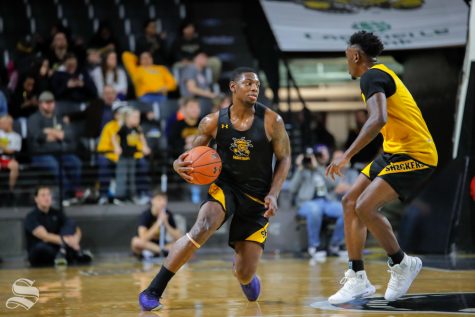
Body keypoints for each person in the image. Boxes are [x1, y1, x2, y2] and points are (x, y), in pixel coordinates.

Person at [138, 67, 291, 311]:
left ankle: (244, 274)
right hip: (226, 187)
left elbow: (284, 159)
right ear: (233, 87)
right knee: (201, 227)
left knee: (244, 275)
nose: (254, 88)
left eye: (257, 85)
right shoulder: (212, 122)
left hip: (258, 199)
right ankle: (153, 290)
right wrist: (178, 163)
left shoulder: (272, 121)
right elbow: (189, 158)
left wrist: (274, 193)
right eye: (248, 83)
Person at [325, 31, 438, 304]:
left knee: (365, 206)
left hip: (417, 154)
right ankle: (357, 278)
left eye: (347, 59)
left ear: (355, 55)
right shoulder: (379, 74)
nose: (347, 64)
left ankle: (402, 264)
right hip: (393, 152)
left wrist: (347, 155)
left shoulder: (371, 75)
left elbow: (377, 119)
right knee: (350, 201)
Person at [27, 91, 83, 206]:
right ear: (40, 104)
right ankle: (68, 194)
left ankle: (75, 192)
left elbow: (67, 135)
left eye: (51, 102)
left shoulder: (59, 118)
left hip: (60, 152)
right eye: (46, 102)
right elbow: (38, 136)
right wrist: (56, 133)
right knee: (56, 167)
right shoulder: (34, 118)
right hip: (40, 154)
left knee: (76, 163)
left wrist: (50, 132)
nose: (49, 105)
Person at [289, 149, 345, 261]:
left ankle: (335, 244)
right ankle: (314, 246)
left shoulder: (323, 170)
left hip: (326, 202)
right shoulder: (302, 171)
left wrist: (317, 168)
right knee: (314, 209)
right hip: (307, 203)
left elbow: (334, 183)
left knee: (345, 210)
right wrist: (299, 168)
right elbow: (292, 188)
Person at [24, 185, 93, 267]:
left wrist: (75, 240)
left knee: (71, 222)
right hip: (41, 250)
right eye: (43, 195)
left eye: (48, 194)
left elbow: (75, 228)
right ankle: (74, 253)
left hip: (58, 246)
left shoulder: (56, 213)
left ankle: (65, 252)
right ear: (36, 199)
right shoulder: (31, 217)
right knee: (41, 248)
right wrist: (65, 241)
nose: (47, 198)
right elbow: (45, 236)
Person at [112, 108, 151, 205]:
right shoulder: (124, 128)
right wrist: (117, 147)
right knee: (122, 176)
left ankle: (131, 196)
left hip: (132, 157)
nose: (137, 119)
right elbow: (114, 137)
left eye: (138, 117)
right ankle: (119, 197)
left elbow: (141, 138)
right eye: (134, 117)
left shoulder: (137, 128)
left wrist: (145, 147)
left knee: (131, 177)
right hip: (123, 157)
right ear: (128, 118)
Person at [167, 97, 202, 203]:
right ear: (184, 109)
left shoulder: (205, 123)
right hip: (183, 156)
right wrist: (185, 145)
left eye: (197, 107)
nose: (195, 109)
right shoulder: (177, 125)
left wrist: (195, 142)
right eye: (191, 107)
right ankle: (192, 192)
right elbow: (172, 143)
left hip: (203, 155)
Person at [131, 190, 182, 259]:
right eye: (159, 200)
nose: (162, 203)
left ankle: (159, 252)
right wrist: (158, 222)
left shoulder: (167, 214)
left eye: (164, 200)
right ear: (152, 200)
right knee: (136, 241)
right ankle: (160, 251)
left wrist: (166, 224)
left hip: (163, 244)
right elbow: (143, 238)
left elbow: (178, 237)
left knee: (179, 244)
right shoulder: (146, 215)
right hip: (148, 245)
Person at [179, 51, 219, 115]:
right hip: (191, 99)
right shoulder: (191, 69)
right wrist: (210, 94)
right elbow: (191, 89)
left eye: (206, 57)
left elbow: (205, 87)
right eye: (202, 57)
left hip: (202, 99)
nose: (206, 59)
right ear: (195, 58)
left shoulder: (202, 72)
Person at [0, 115, 21, 197]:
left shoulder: (16, 137)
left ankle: (10, 190)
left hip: (8, 158)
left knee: (15, 165)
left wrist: (2, 146)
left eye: (2, 123)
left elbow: (11, 151)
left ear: (9, 124)